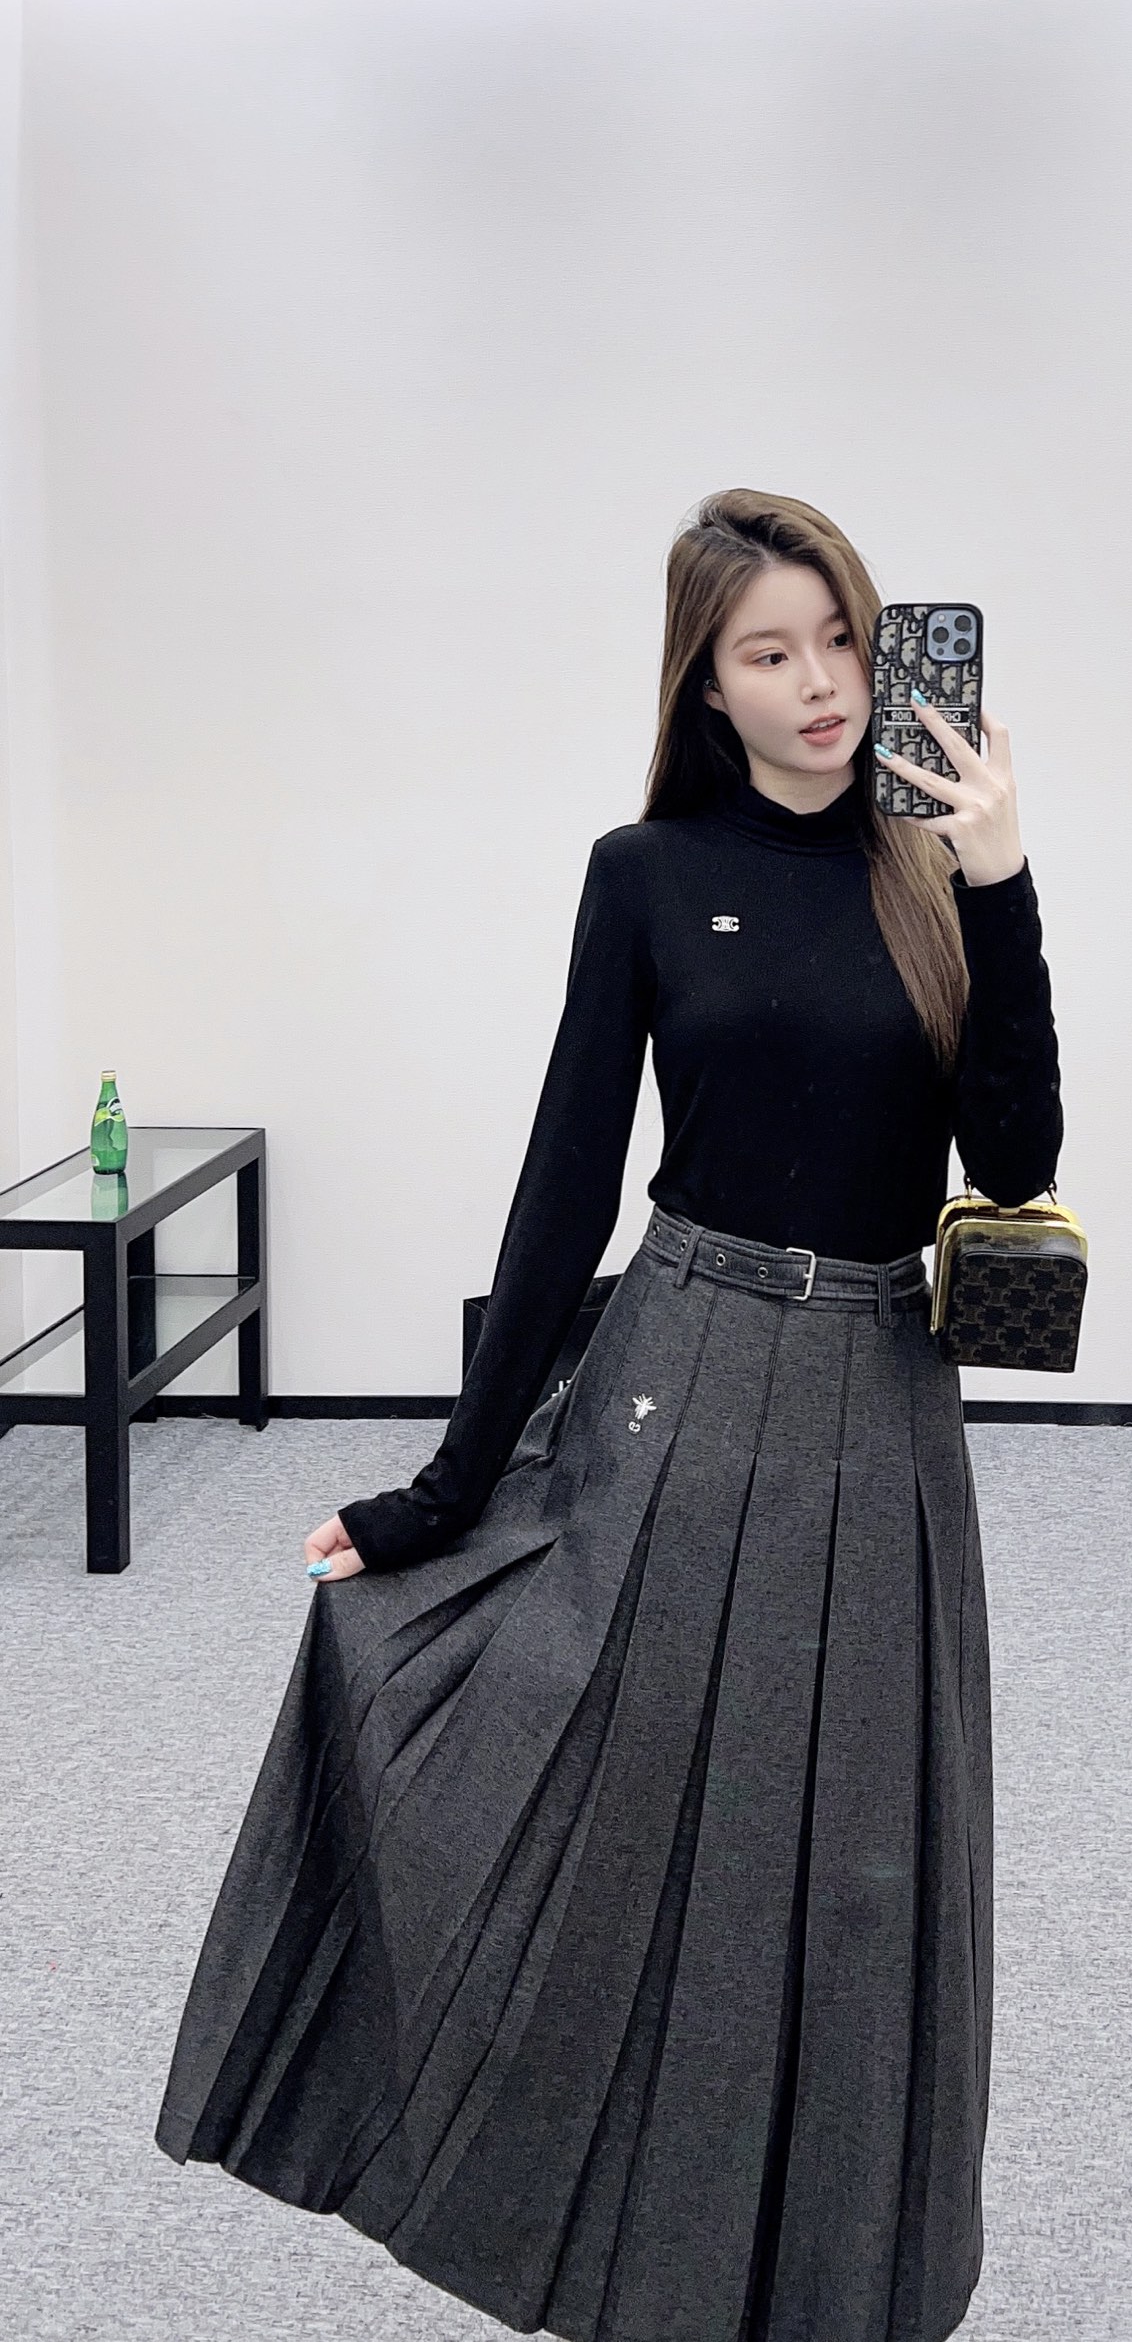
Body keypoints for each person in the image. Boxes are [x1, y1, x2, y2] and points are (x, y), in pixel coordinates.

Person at [155, 488, 1063, 2342]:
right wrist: (443, 1488)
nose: (821, 683)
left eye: (842, 637)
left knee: (857, 1850)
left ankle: (825, 2276)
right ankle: (577, 2213)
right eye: (769, 652)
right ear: (706, 685)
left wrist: (1002, 880)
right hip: (681, 1359)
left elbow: (1018, 1154)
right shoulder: (645, 873)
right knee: (616, 1793)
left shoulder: (932, 871)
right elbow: (567, 1181)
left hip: (881, 1394)